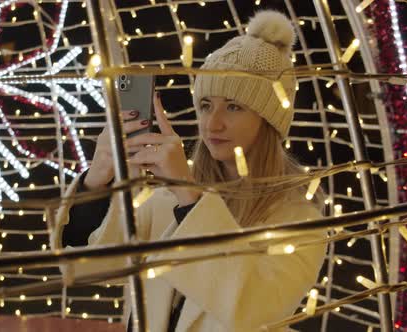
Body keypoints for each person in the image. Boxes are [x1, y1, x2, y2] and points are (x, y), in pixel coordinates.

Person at [51, 10, 326, 332]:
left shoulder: (300, 220)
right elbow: (81, 268)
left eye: (234, 106)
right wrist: (97, 178)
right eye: (206, 105)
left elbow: (253, 307)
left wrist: (189, 194)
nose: (213, 123)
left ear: (269, 121)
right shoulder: (165, 199)